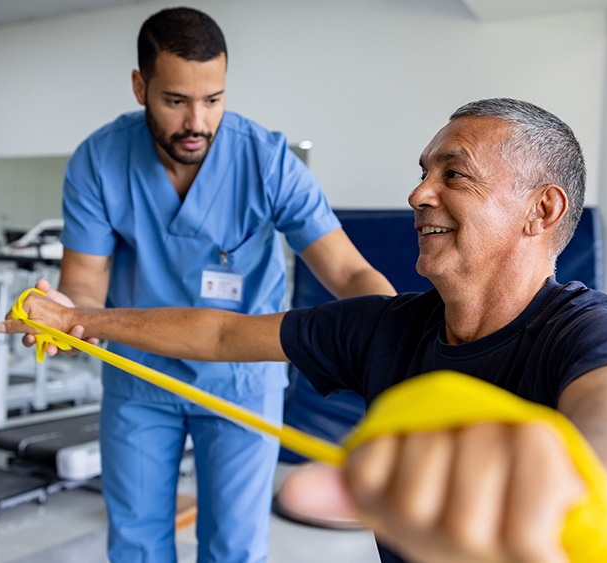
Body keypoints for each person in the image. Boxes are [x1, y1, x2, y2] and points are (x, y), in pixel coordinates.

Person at [2, 98, 607, 563]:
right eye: (422, 172)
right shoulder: (383, 329)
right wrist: (77, 317)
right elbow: (217, 336)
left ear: (541, 210)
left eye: (454, 173)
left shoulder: (596, 329)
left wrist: (579, 484)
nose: (420, 192)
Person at [40, 6, 395, 562]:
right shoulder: (100, 160)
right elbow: (84, 283)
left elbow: (348, 272)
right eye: (176, 101)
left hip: (242, 380)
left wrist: (402, 334)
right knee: (135, 541)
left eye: (213, 100)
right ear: (140, 87)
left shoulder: (268, 161)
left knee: (234, 546)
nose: (197, 122)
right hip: (141, 376)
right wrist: (67, 319)